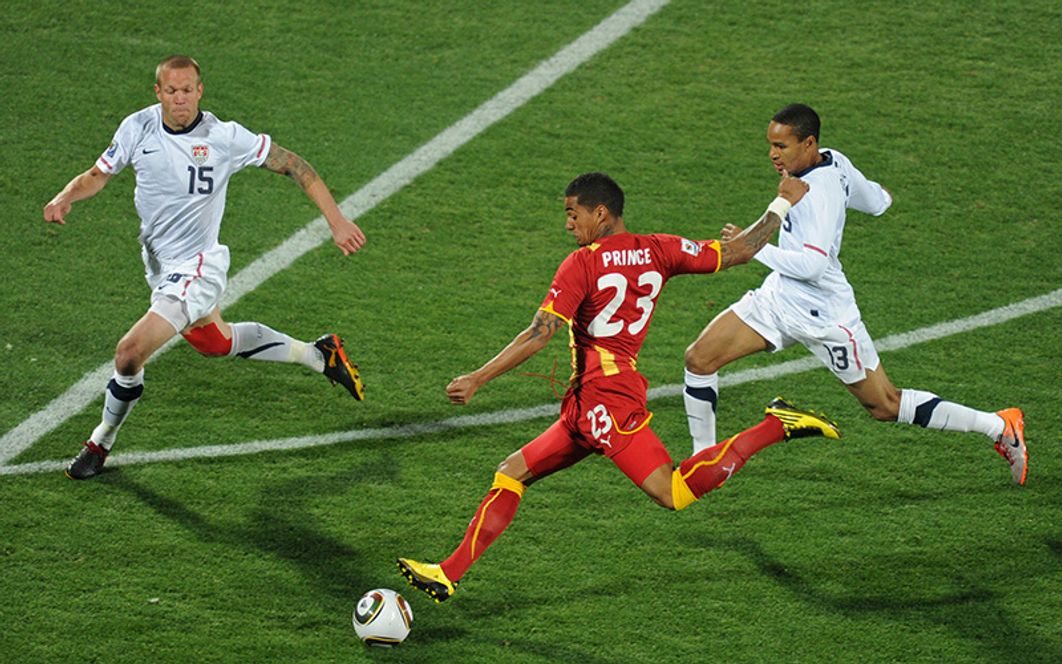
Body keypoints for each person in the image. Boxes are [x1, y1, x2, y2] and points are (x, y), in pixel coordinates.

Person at [397, 172, 840, 603]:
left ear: (602, 213)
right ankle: (446, 574)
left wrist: (478, 377)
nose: (568, 224)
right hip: (589, 399)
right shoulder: (660, 249)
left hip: (605, 400)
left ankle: (773, 425)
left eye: (573, 214)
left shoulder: (582, 263)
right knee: (511, 472)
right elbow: (740, 250)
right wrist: (782, 203)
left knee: (673, 492)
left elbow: (540, 332)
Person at [43, 55, 367, 480]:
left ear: (200, 91)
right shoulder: (137, 127)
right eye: (171, 91)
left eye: (187, 90)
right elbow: (98, 174)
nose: (180, 99)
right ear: (158, 93)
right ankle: (320, 354)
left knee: (129, 353)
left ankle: (99, 442)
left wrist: (337, 221)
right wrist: (65, 196)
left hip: (199, 267)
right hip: (160, 264)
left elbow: (294, 164)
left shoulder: (225, 137)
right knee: (215, 341)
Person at [682, 103, 1027, 485]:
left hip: (826, 318)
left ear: (808, 142)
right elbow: (875, 202)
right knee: (700, 359)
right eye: (771, 145)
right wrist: (883, 198)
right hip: (779, 299)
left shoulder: (817, 195)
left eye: (781, 146)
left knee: (885, 405)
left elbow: (812, 266)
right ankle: (706, 461)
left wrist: (754, 248)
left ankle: (1000, 425)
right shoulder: (833, 161)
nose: (772, 154)